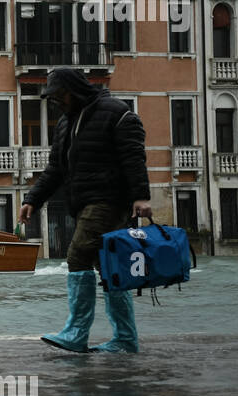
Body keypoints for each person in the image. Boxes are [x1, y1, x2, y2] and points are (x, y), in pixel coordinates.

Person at [19, 67, 151, 353]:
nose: (56, 102)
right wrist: (33, 199)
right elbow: (55, 168)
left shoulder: (115, 113)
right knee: (109, 268)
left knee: (78, 254)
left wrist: (141, 196)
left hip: (109, 201)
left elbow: (133, 156)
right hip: (82, 202)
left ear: (74, 89)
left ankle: (77, 333)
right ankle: (126, 339)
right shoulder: (66, 123)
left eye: (59, 95)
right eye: (52, 98)